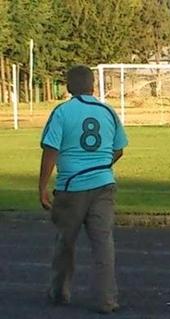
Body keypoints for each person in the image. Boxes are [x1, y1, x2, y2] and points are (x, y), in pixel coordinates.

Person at [39, 65, 128, 314]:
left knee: (65, 242)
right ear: (93, 86)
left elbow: (50, 150)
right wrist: (100, 166)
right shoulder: (107, 111)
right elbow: (119, 148)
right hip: (103, 184)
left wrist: (43, 186)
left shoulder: (62, 112)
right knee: (103, 243)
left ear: (68, 87)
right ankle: (107, 300)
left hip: (71, 187)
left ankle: (59, 291)